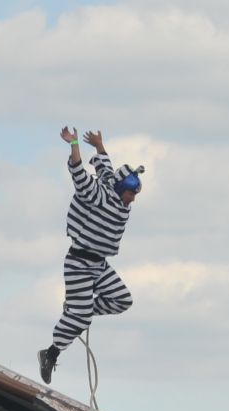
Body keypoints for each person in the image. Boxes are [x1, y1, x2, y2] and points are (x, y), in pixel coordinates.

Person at [37, 127, 141, 384]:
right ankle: (50, 353)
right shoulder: (98, 194)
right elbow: (79, 173)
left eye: (135, 195)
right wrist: (73, 143)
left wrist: (100, 145)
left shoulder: (114, 187)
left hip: (99, 265)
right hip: (79, 263)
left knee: (122, 300)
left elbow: (105, 167)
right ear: (121, 189)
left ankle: (77, 311)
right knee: (81, 316)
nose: (133, 200)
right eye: (131, 194)